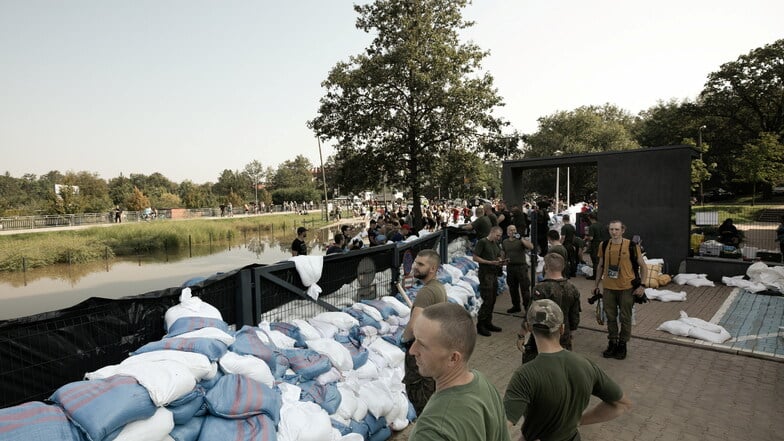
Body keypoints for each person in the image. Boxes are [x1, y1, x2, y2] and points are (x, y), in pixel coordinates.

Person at [504, 299, 632, 441]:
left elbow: (500, 426)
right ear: (562, 329)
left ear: (529, 327)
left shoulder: (525, 375)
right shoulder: (585, 365)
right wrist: (578, 421)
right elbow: (622, 404)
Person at [408, 303, 511, 441]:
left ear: (453, 358)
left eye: (423, 345)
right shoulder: (484, 385)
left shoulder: (431, 430)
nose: (412, 351)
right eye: (415, 339)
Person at [401, 249, 448, 415]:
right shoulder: (438, 288)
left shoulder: (426, 292)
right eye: (416, 263)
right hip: (432, 352)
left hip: (421, 355)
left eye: (421, 264)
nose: (415, 267)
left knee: (422, 404)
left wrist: (404, 340)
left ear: (433, 268)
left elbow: (414, 326)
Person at [593, 220, 648, 360]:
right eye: (611, 229)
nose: (614, 232)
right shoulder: (604, 245)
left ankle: (622, 344)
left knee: (625, 317)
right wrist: (596, 285)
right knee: (610, 317)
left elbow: (643, 266)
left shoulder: (631, 245)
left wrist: (642, 285)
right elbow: (600, 266)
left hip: (626, 288)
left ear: (623, 230)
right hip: (609, 288)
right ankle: (612, 342)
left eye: (617, 229)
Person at [518, 253, 580, 364]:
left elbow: (531, 315)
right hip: (563, 334)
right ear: (563, 267)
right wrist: (570, 334)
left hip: (542, 335)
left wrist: (521, 335)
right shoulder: (572, 288)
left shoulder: (541, 289)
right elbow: (574, 316)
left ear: (545, 267)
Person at [473, 226, 505, 336]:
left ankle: (488, 322)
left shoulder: (495, 244)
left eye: (500, 236)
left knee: (492, 300)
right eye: (497, 235)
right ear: (492, 232)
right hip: (485, 274)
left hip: (493, 273)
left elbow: (497, 255)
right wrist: (489, 262)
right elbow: (475, 257)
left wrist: (500, 261)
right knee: (487, 299)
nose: (499, 238)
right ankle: (480, 324)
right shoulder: (482, 242)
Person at [502, 224, 533, 314]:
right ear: (507, 233)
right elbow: (504, 252)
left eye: (514, 230)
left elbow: (531, 247)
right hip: (510, 267)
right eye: (511, 230)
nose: (513, 231)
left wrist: (522, 239)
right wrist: (502, 261)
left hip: (521, 267)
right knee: (512, 288)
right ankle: (516, 306)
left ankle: (527, 307)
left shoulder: (520, 240)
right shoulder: (505, 242)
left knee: (525, 288)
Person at [584, 212, 607, 280]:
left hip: (595, 245)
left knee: (595, 261)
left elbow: (591, 238)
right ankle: (601, 274)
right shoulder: (601, 225)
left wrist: (586, 238)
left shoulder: (592, 226)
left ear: (589, 218)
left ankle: (595, 276)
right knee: (601, 260)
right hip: (602, 244)